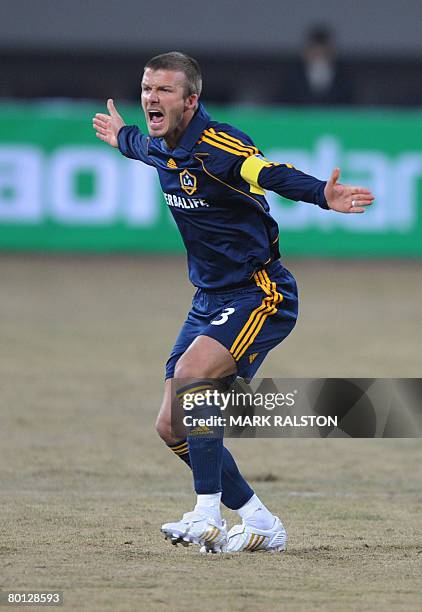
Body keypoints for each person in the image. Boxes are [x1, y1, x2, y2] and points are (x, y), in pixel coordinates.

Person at [92, 52, 374, 554]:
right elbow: (138, 144)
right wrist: (120, 136)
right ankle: (258, 519)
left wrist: (320, 195)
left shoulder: (218, 145)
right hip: (209, 298)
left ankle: (206, 515)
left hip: (261, 293)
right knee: (170, 424)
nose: (151, 98)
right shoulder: (160, 143)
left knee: (191, 381)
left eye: (163, 91)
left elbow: (268, 172)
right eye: (146, 88)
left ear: (191, 100)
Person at [281, 25, 354, 106]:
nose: (319, 58)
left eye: (324, 54)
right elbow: (280, 105)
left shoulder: (344, 77)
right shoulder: (291, 76)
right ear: (305, 53)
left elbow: (352, 106)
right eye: (315, 53)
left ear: (332, 52)